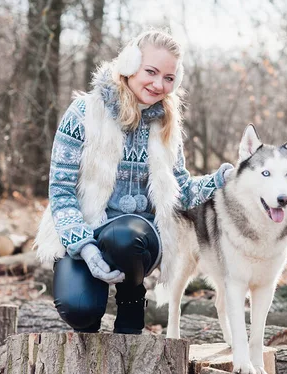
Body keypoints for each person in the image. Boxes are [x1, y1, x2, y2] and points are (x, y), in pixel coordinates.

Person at [34, 30, 233, 334]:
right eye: (151, 72)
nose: (158, 84)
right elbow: (60, 193)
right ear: (129, 65)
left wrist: (222, 179)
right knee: (80, 310)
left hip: (137, 241)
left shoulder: (167, 128)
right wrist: (84, 247)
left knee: (128, 235)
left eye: (169, 77)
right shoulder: (83, 114)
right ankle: (90, 299)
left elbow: (179, 194)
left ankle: (132, 296)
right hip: (85, 231)